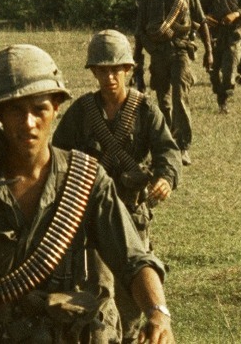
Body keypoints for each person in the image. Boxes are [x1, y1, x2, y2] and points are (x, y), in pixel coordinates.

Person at [0, 45, 175, 343]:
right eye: (15, 110)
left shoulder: (85, 178)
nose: (28, 122)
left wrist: (158, 312)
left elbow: (134, 259)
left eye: (39, 108)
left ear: (56, 108)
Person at [53, 30, 181, 343]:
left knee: (133, 291)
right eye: (102, 70)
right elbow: (57, 155)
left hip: (133, 215)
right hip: (92, 216)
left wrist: (165, 178)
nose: (109, 77)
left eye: (115, 69)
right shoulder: (82, 112)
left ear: (128, 70)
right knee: (98, 290)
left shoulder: (145, 110)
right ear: (93, 71)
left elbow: (167, 150)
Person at [134, 0, 213, 166]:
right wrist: (137, 57)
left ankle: (183, 146)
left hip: (180, 51)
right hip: (157, 53)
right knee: (163, 102)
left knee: (180, 98)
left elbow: (202, 21)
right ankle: (167, 142)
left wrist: (209, 52)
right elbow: (140, 28)